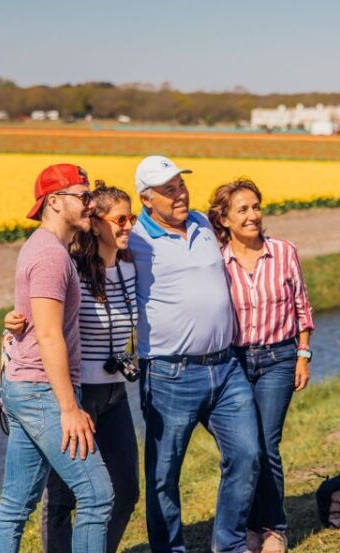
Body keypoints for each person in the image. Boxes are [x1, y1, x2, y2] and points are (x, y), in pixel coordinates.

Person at [129, 156, 260, 553]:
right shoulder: (134, 240)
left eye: (180, 185)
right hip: (170, 375)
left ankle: (230, 545)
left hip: (225, 368)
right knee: (164, 475)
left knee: (247, 455)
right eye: (168, 190)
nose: (179, 194)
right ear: (146, 199)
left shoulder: (203, 223)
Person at [4, 182, 140, 553]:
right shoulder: (72, 268)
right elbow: (44, 322)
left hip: (114, 393)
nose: (130, 225)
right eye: (121, 218)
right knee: (64, 498)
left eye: (134, 217)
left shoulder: (133, 266)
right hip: (78, 392)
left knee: (126, 491)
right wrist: (15, 322)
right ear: (96, 224)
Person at [0, 164, 114, 553]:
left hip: (27, 386)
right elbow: (47, 334)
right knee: (97, 496)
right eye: (83, 195)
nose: (91, 204)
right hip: (42, 391)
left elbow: (28, 320)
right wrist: (69, 407)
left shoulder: (52, 250)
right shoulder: (50, 257)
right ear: (55, 202)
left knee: (15, 504)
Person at [207, 178, 315, 553]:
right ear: (223, 219)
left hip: (278, 359)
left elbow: (302, 305)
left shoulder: (283, 252)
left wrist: (303, 354)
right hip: (233, 362)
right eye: (243, 209)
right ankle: (244, 528)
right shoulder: (215, 261)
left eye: (256, 207)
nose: (253, 215)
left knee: (267, 445)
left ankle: (272, 529)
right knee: (243, 448)